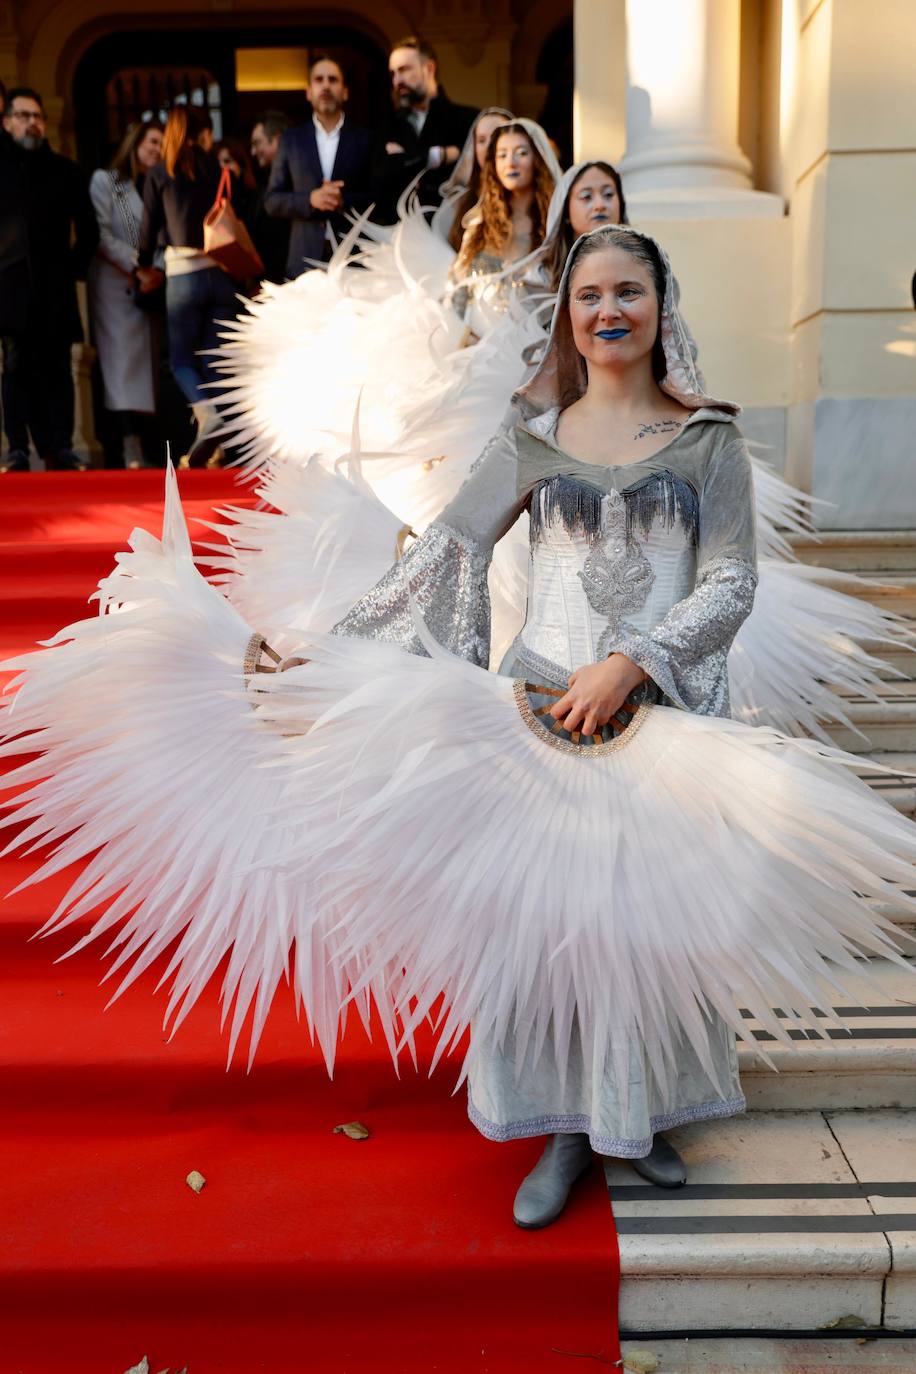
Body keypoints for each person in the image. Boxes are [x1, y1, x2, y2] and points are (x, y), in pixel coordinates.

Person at [5, 227, 916, 1247]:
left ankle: (638, 1114)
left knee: (646, 925)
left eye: (628, 292)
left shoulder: (709, 443)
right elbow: (444, 554)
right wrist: (325, 652)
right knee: (545, 932)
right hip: (533, 715)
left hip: (659, 716)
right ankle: (562, 1133)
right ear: (568, 319)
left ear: (663, 308)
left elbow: (732, 581)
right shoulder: (532, 439)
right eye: (589, 296)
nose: (608, 311)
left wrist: (634, 662)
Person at [0, 87, 98, 473]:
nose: (32, 123)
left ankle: (60, 447)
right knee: (15, 369)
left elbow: (90, 230)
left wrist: (74, 268)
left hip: (55, 289)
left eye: (37, 116)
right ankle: (18, 449)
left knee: (58, 370)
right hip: (10, 288)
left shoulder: (69, 170)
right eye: (23, 116)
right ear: (7, 122)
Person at [138, 104, 241, 467]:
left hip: (183, 275)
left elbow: (147, 231)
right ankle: (222, 441)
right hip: (221, 274)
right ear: (204, 133)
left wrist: (141, 266)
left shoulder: (159, 173)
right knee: (213, 360)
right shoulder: (219, 169)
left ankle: (208, 416)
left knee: (181, 359)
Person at [88, 120, 164, 469]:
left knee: (144, 370)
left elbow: (166, 235)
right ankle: (127, 444)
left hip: (148, 287)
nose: (156, 149)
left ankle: (144, 444)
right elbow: (100, 236)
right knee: (120, 369)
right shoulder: (107, 181)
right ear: (135, 142)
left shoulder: (158, 185)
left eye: (162, 144)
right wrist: (137, 267)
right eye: (151, 141)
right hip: (115, 287)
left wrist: (158, 270)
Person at [448, 119, 560, 333]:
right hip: (478, 341)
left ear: (538, 159)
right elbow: (459, 288)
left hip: (534, 343)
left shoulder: (554, 225)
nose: (511, 162)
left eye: (521, 153)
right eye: (502, 155)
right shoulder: (480, 224)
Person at [264, 56, 371, 279]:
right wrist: (310, 199)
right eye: (318, 80)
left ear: (345, 92)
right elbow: (272, 201)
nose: (325, 85)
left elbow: (377, 197)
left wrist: (344, 200)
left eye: (333, 80)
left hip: (354, 259)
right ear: (309, 92)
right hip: (303, 259)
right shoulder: (291, 140)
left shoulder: (364, 138)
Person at [372, 37, 477, 223]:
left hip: (452, 232)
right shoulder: (387, 127)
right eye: (393, 73)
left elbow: (470, 182)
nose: (397, 81)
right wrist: (437, 156)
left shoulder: (467, 120)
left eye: (404, 70)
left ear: (429, 68)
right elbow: (380, 182)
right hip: (400, 235)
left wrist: (405, 159)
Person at [431, 106, 513, 251]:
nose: (489, 146)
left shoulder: (525, 197)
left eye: (496, 137)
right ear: (473, 147)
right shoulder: (457, 200)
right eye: (481, 140)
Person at [248, 110, 291, 284]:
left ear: (277, 140)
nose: (253, 151)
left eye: (257, 143)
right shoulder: (264, 179)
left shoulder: (295, 181)